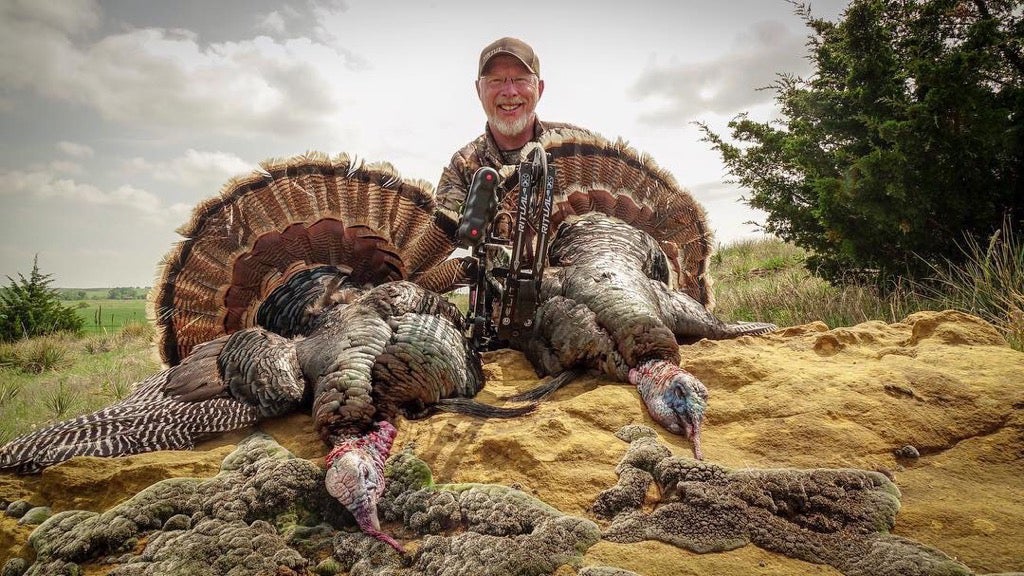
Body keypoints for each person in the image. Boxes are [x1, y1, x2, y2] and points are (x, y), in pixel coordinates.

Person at [435, 36, 591, 231]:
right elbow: (441, 242)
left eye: (520, 80)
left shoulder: (579, 147)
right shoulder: (463, 166)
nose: (509, 91)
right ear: (478, 90)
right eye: (496, 81)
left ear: (539, 89)